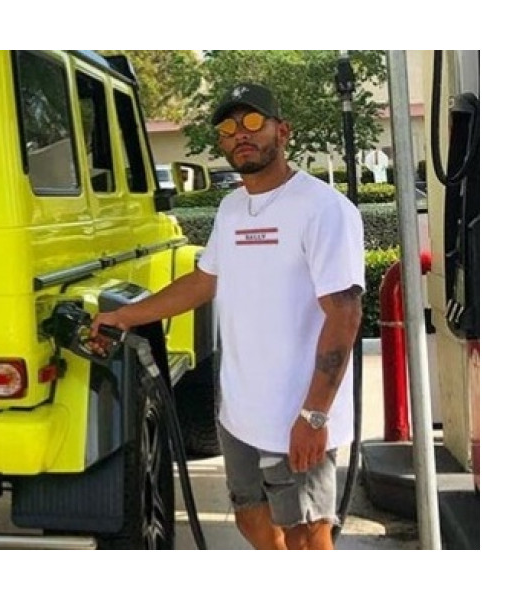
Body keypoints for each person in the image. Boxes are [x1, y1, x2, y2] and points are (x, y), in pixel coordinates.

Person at [90, 82, 365, 550]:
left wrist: (315, 416)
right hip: (240, 413)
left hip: (298, 414)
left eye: (254, 122)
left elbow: (344, 314)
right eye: (229, 127)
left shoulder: (322, 208)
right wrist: (128, 316)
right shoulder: (233, 207)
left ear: (283, 131)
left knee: (305, 536)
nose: (241, 133)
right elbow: (203, 280)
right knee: (251, 520)